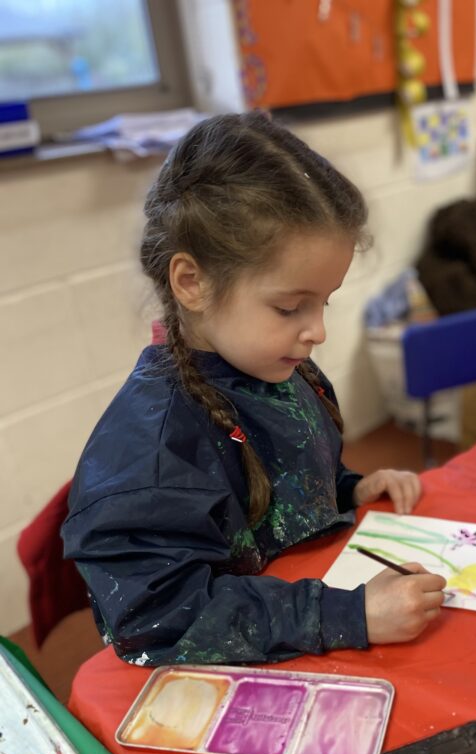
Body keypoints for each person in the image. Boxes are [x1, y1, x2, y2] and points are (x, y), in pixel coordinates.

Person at [62, 112, 446, 666]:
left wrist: (348, 491)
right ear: (192, 282)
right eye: (291, 307)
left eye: (324, 302)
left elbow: (274, 492)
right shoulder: (152, 456)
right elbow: (159, 618)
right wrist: (348, 615)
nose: (318, 331)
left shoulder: (280, 368)